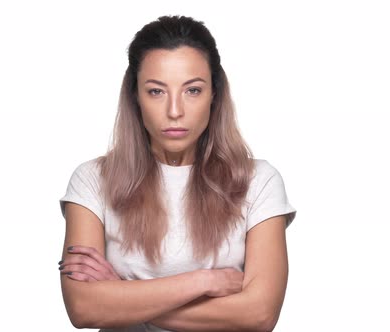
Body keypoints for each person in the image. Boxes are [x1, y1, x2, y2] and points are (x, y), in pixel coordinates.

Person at [58, 15, 297, 331]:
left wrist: (123, 295)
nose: (174, 111)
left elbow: (259, 314)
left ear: (214, 94)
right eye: (156, 91)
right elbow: (83, 308)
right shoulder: (92, 181)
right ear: (135, 96)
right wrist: (205, 281)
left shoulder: (257, 182)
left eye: (192, 90)